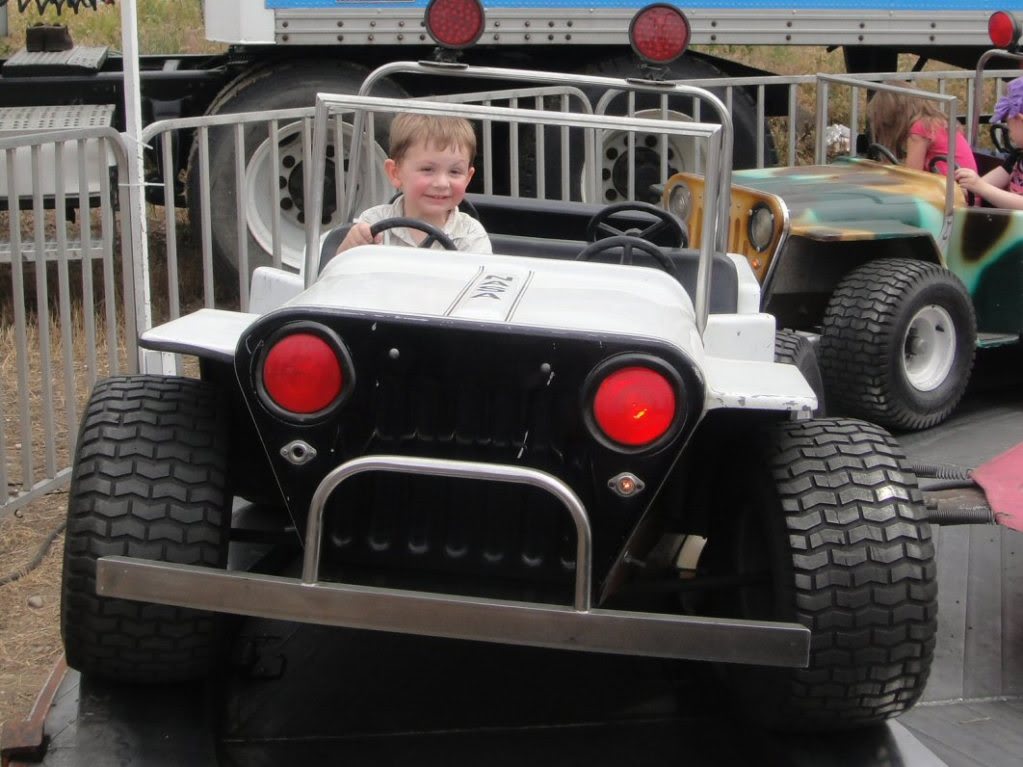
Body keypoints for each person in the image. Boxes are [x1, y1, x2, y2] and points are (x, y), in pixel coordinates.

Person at [336, 112, 492, 254]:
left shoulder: (471, 235)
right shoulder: (373, 222)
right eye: (427, 169)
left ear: (468, 178)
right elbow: (341, 275)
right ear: (395, 173)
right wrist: (351, 245)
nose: (442, 183)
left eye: (455, 172)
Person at [865, 85, 978, 174]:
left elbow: (913, 175)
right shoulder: (938, 121)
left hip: (953, 196)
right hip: (965, 191)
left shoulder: (920, 128)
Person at [955, 77, 1023, 210]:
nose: (1008, 131)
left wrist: (981, 187)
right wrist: (965, 187)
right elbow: (990, 181)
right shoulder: (1017, 156)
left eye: (1009, 124)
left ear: (1019, 119)